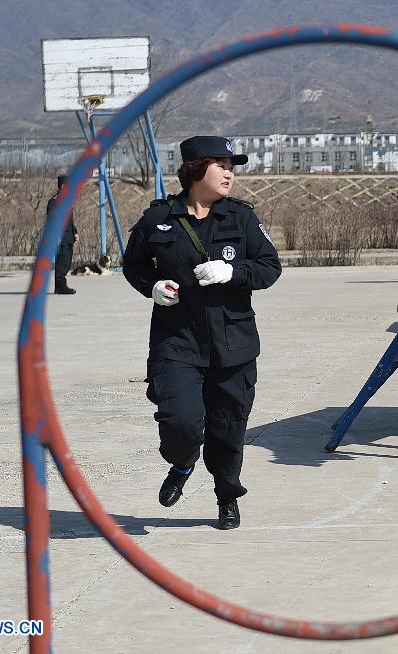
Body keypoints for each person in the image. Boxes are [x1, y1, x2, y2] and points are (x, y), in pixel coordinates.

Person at [122, 136, 281, 530]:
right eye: (221, 166)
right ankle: (182, 463)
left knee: (228, 431)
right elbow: (134, 264)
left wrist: (234, 272)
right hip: (177, 341)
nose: (229, 174)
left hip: (233, 345)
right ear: (196, 169)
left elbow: (269, 266)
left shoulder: (241, 219)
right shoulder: (158, 218)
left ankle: (227, 496)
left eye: (232, 167)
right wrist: (152, 287)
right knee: (181, 423)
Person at [47, 175, 79, 294]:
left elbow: (70, 221)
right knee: (62, 262)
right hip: (60, 237)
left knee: (67, 262)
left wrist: (75, 232)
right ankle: (60, 286)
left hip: (69, 236)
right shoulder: (54, 202)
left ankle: (61, 285)